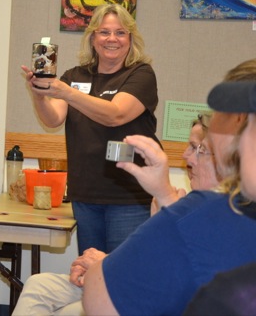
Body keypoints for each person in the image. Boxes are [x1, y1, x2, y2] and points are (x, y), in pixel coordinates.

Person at [12, 114, 217, 316]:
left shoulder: (221, 215)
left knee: (69, 311)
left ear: (222, 158)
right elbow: (147, 258)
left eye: (196, 148)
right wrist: (98, 263)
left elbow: (174, 279)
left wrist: (103, 265)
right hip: (133, 282)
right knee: (39, 285)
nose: (185, 156)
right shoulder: (189, 201)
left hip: (150, 296)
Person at [81, 80, 256, 315]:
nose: (187, 157)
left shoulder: (204, 213)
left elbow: (101, 302)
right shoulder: (203, 212)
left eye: (202, 149)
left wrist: (102, 265)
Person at [21, 3, 158, 254]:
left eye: (120, 32)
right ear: (93, 38)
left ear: (130, 39)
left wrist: (66, 92)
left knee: (121, 272)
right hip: (85, 194)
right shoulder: (75, 76)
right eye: (104, 32)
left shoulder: (140, 74)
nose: (112, 39)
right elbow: (53, 119)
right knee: (88, 270)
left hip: (128, 197)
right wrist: (39, 95)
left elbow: (115, 115)